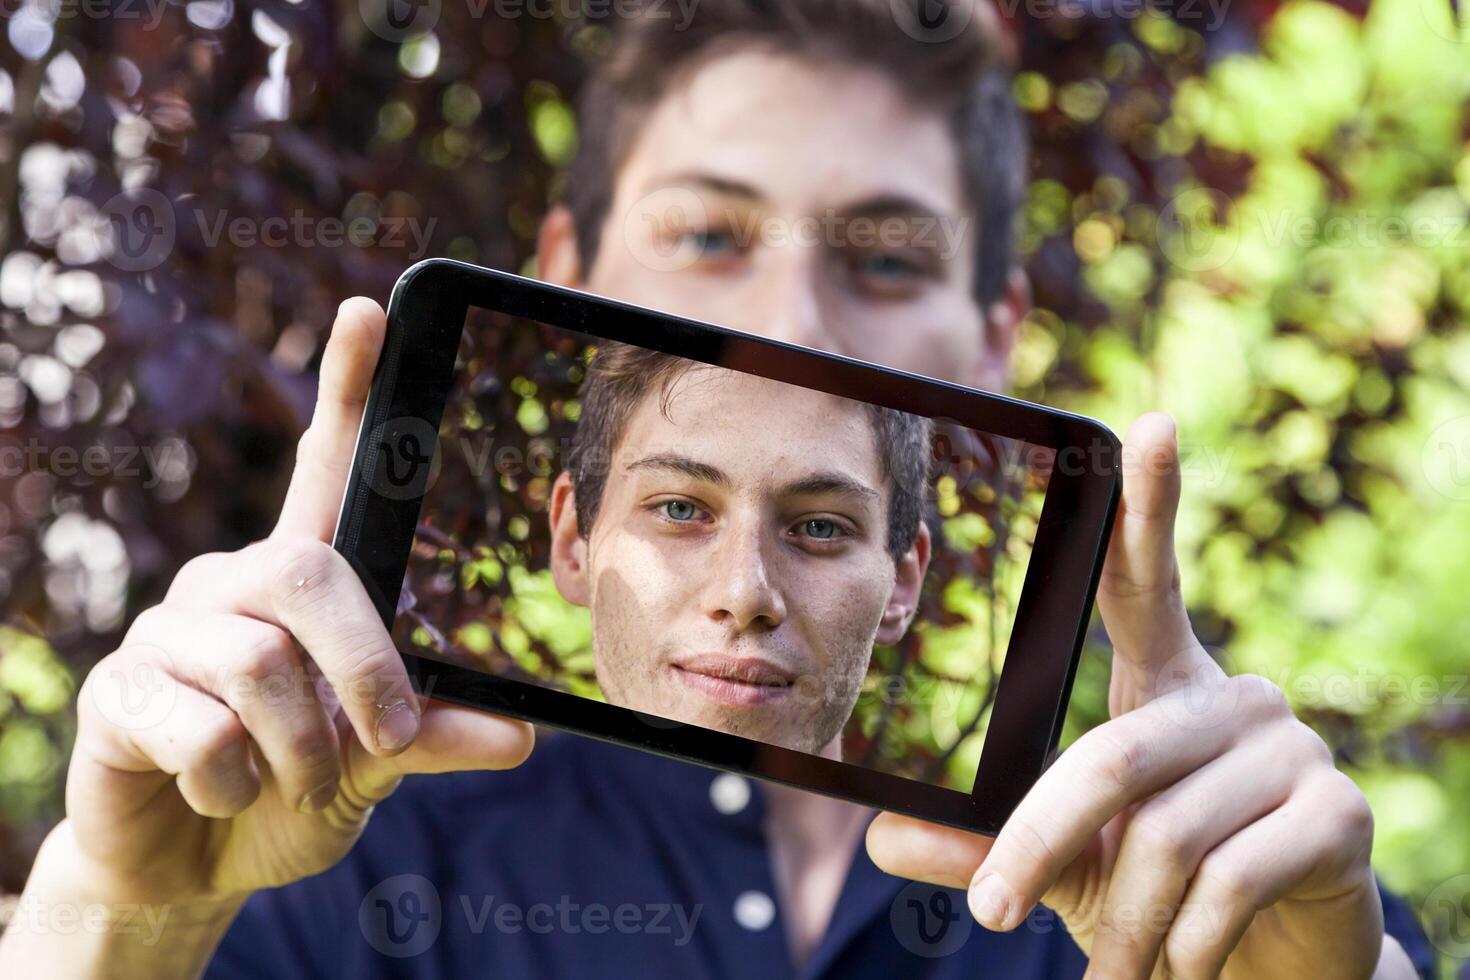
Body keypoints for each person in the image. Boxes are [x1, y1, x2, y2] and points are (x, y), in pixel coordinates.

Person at [0, 1, 1435, 977]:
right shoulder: (303, 859)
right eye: (707, 232)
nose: (794, 313)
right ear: (569, 270)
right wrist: (116, 923)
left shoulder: (1186, 874)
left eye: (882, 255)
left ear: (994, 337)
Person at [547, 342, 932, 755]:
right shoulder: (474, 807)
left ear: (902, 585)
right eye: (678, 510)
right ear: (573, 541)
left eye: (820, 528)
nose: (744, 595)